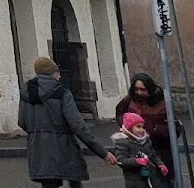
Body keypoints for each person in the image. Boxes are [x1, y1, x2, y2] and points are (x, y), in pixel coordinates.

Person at [19, 54, 117, 187]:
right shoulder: (62, 93)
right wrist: (102, 152)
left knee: (48, 184)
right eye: (57, 73)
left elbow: (22, 122)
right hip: (64, 147)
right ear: (52, 73)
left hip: (37, 148)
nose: (59, 77)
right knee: (74, 181)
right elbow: (78, 125)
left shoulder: (26, 94)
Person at [117, 72, 180, 184]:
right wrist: (129, 128)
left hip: (160, 149)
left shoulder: (162, 103)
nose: (139, 93)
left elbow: (175, 128)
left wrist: (155, 130)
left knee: (164, 181)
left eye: (143, 89)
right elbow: (120, 113)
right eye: (136, 89)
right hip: (137, 149)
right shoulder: (129, 100)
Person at [112, 110, 170, 183]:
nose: (141, 130)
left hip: (151, 176)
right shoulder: (122, 142)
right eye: (138, 127)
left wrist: (160, 164)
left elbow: (153, 154)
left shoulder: (146, 140)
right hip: (135, 180)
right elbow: (121, 161)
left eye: (143, 127)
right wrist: (136, 161)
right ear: (129, 128)